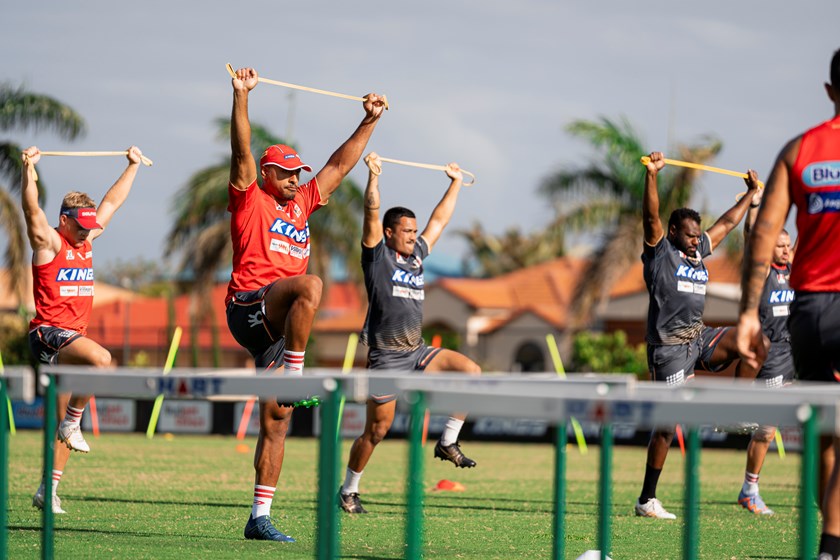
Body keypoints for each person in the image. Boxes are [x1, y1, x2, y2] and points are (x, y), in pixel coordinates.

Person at [225, 66, 385, 542]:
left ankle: (259, 517)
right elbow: (240, 149)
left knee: (277, 421)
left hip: (278, 328)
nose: (298, 179)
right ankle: (296, 372)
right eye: (289, 172)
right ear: (268, 173)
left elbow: (339, 166)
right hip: (249, 307)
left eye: (299, 173)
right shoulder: (249, 197)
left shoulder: (303, 202)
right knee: (310, 285)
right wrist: (241, 96)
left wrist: (369, 120)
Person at [737, 48, 840, 560]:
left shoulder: (801, 148)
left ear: (828, 91)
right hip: (810, 317)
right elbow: (764, 235)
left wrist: (742, 315)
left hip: (812, 313)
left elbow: (762, 234)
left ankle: (829, 544)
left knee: (824, 428)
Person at [338, 152, 481, 515]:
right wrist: (373, 177)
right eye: (406, 231)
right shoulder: (376, 257)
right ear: (389, 233)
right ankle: (348, 490)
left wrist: (454, 183)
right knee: (376, 432)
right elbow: (371, 212)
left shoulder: (417, 254)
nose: (413, 236)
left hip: (416, 352)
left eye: (414, 231)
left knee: (471, 371)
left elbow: (439, 221)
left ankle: (447, 441)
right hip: (386, 357)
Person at [635, 151, 761, 520]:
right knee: (665, 430)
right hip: (669, 350)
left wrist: (749, 195)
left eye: (696, 237)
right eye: (689, 236)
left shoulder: (698, 251)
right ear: (674, 232)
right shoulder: (660, 254)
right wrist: (652, 176)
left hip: (698, 338)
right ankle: (647, 499)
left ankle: (738, 412)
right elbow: (650, 216)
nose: (696, 242)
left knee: (751, 340)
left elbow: (725, 224)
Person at [21, 145, 145, 514]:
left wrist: (132, 166)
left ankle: (48, 489)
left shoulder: (85, 239)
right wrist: (29, 172)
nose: (86, 233)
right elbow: (30, 209)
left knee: (63, 423)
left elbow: (111, 203)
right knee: (103, 360)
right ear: (64, 220)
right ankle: (74, 423)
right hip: (47, 334)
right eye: (80, 226)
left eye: (88, 227)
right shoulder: (50, 242)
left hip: (71, 341)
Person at [736, 190, 794, 516]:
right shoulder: (762, 272)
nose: (786, 250)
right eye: (780, 245)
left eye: (788, 246)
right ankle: (749, 489)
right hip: (769, 356)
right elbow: (750, 236)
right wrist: (754, 204)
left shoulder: (794, 270)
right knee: (767, 430)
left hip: (794, 355)